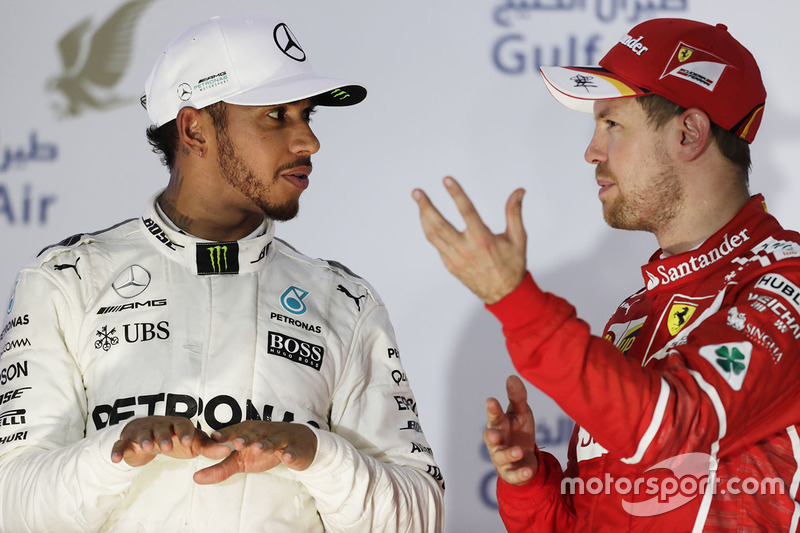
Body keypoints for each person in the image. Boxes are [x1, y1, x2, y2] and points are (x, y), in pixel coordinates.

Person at [0, 12, 444, 532]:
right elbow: (12, 506)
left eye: (308, 115)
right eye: (277, 114)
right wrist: (114, 453)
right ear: (194, 129)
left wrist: (318, 453)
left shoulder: (344, 301)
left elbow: (420, 517)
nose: (308, 141)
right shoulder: (66, 282)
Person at [414, 17, 800, 531]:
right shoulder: (637, 313)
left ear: (688, 132)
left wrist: (513, 298)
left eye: (612, 124)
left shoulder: (784, 279)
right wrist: (531, 487)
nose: (591, 152)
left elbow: (675, 425)